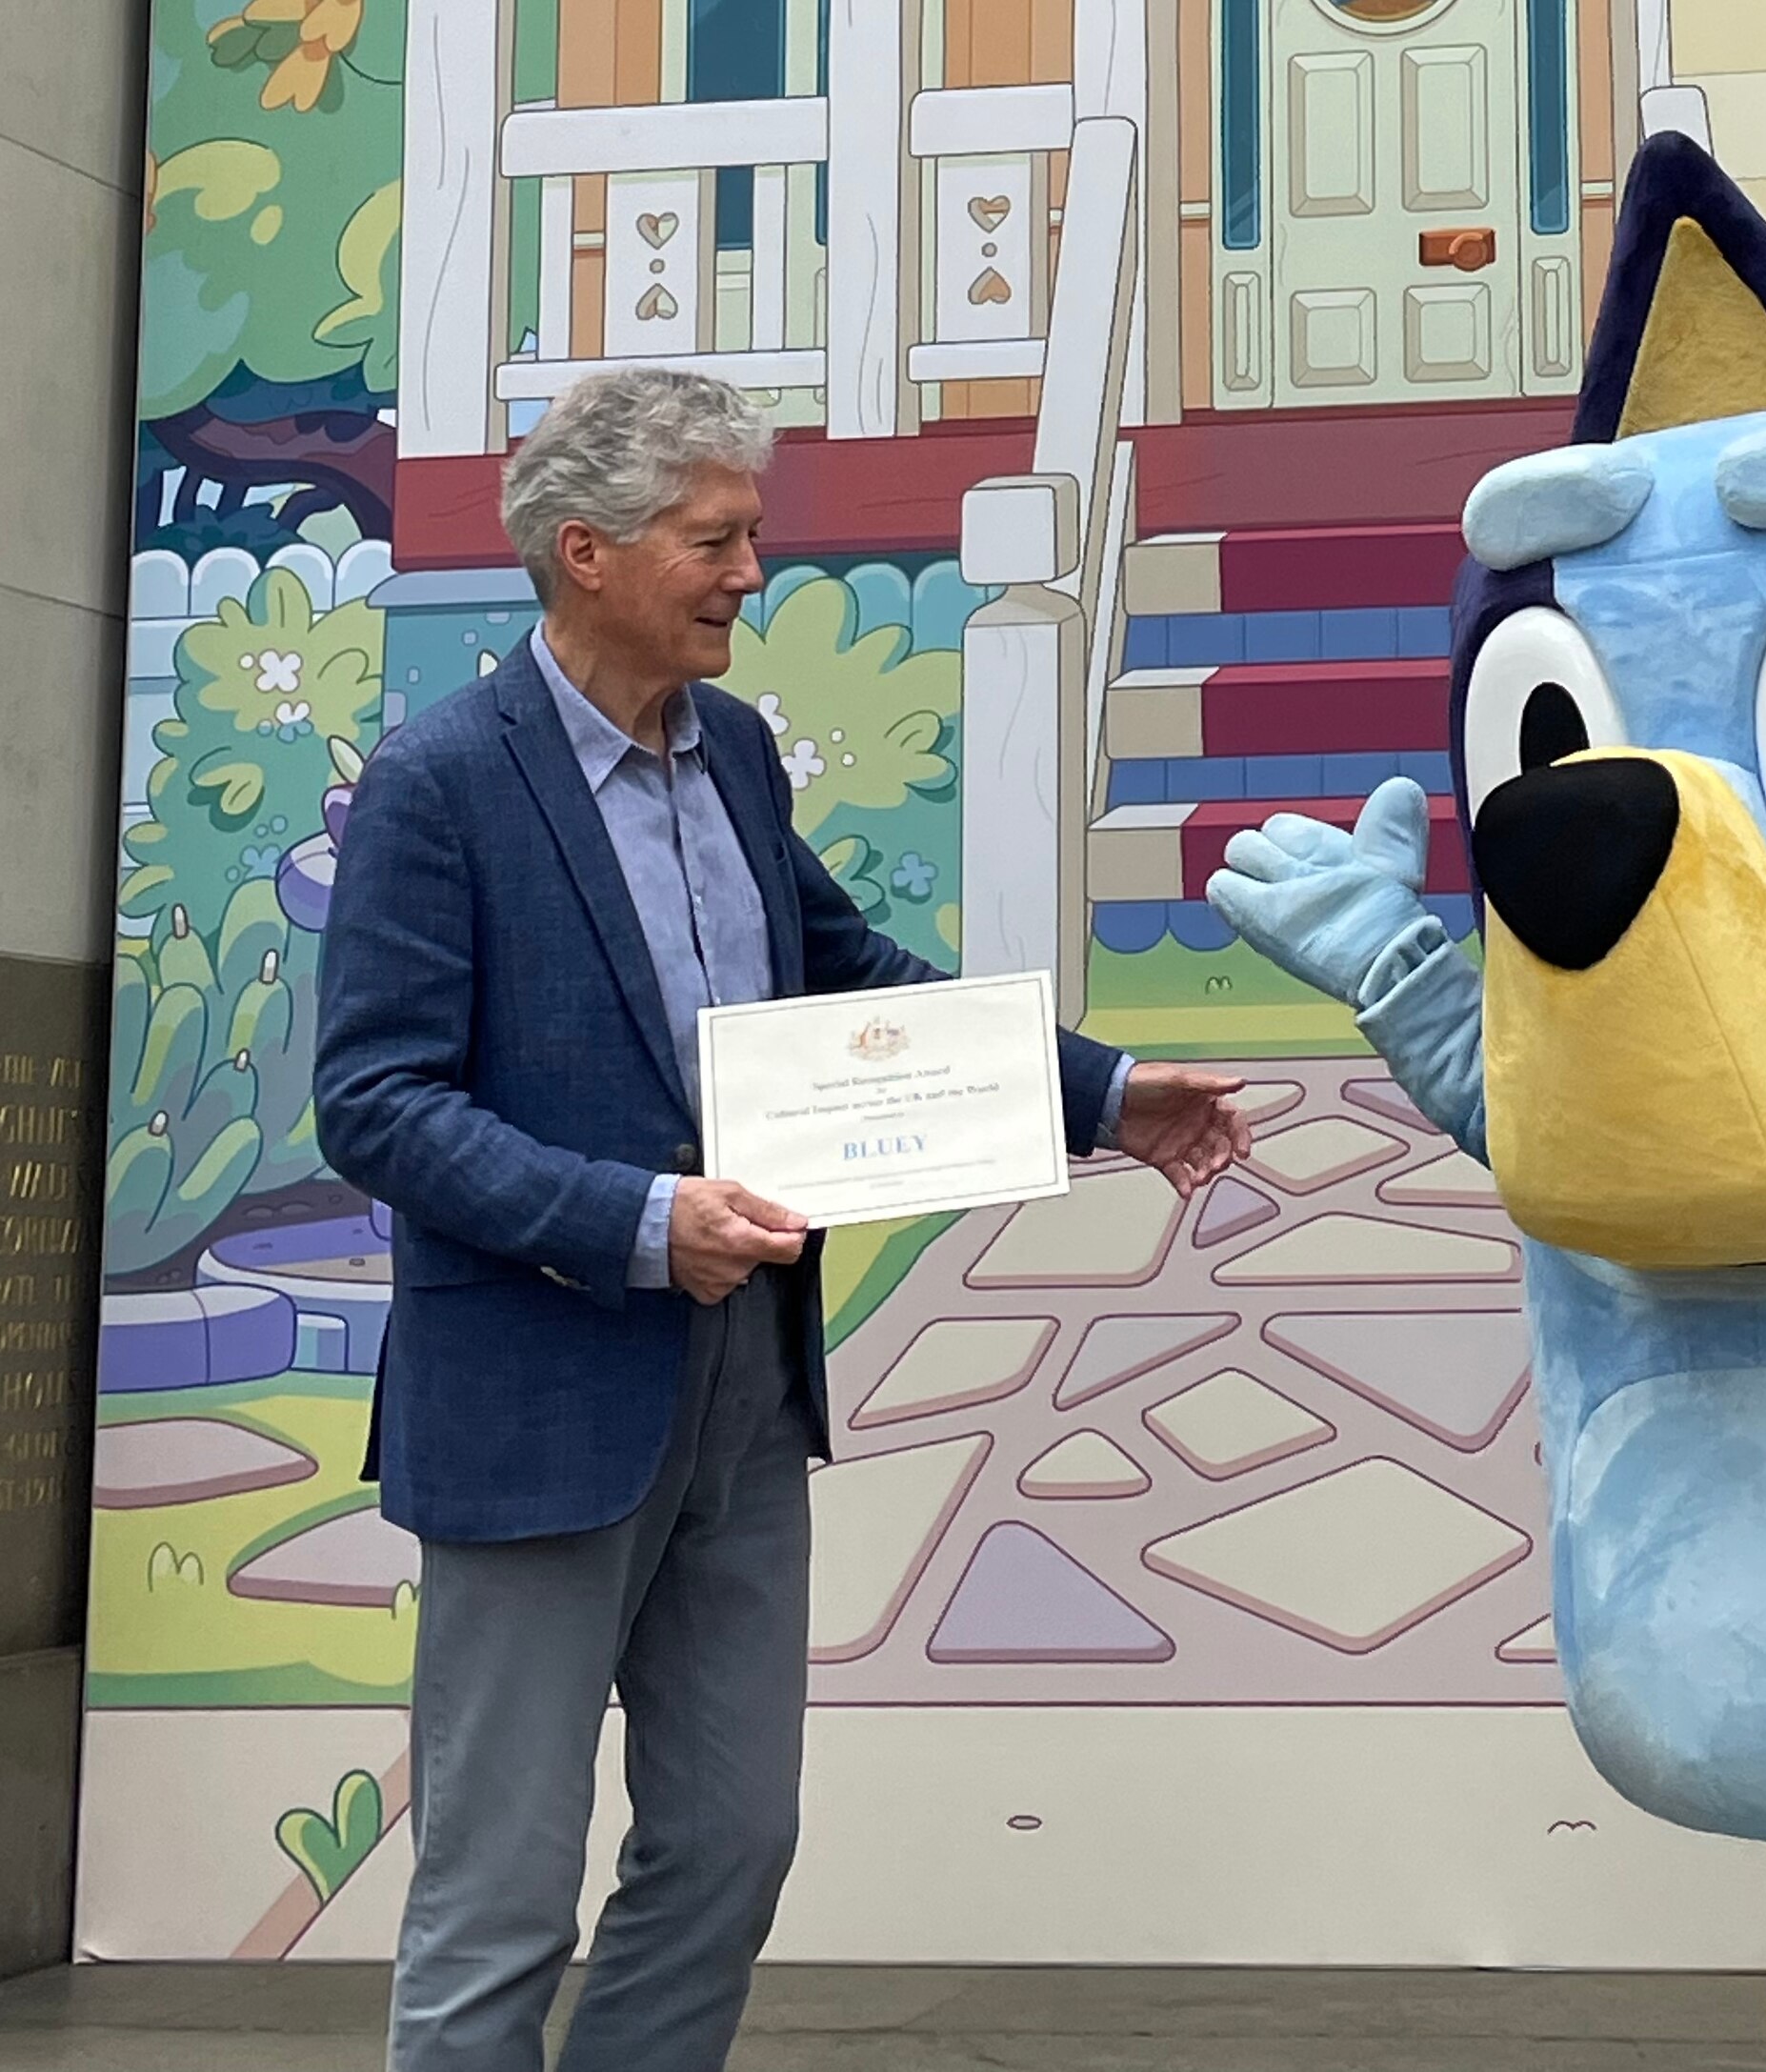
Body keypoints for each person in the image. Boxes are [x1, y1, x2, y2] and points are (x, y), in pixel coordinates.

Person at [313, 366, 1250, 2072]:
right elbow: (375, 1104)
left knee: (734, 1845)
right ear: (584, 552)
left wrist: (1107, 1095)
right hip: (537, 1406)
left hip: (744, 1394)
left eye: (755, 537)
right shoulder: (442, 781)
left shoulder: (736, 752)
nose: (755, 572)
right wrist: (631, 1217)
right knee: (499, 1892)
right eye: (718, 538)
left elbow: (852, 987)